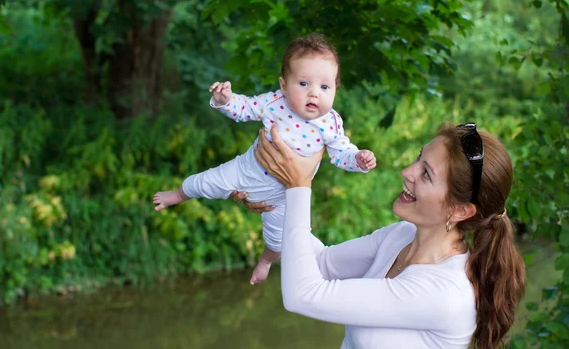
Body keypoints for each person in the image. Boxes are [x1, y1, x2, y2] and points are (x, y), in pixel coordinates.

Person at [241, 122, 525, 349]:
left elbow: (303, 295)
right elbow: (320, 263)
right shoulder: (403, 235)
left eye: (426, 174)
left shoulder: (444, 292)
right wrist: (278, 201)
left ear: (461, 210)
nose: (407, 171)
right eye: (418, 158)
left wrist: (298, 187)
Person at [152, 33, 377, 285]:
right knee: (204, 182)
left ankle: (266, 261)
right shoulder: (274, 103)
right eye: (304, 84)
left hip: (283, 195)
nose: (314, 94)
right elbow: (245, 107)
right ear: (283, 85)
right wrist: (225, 100)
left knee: (278, 240)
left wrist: (358, 158)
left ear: (335, 89)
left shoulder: (331, 123)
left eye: (324, 87)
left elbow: (341, 153)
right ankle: (178, 195)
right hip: (245, 171)